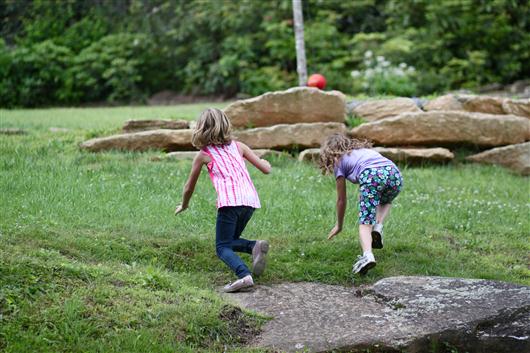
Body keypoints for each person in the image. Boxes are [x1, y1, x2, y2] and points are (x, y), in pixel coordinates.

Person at [175, 108, 271, 292]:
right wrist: (268, 164)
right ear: (226, 125)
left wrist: (184, 205)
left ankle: (244, 275)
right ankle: (255, 246)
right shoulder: (239, 146)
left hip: (230, 203)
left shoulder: (204, 155)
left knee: (222, 247)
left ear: (201, 129)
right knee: (231, 240)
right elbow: (265, 169)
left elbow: (189, 187)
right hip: (250, 201)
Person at [319, 133, 403, 276]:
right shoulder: (364, 151)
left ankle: (367, 256)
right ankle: (379, 226)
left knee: (365, 222)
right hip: (394, 173)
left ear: (330, 152)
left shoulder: (338, 161)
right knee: (386, 200)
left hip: (371, 175)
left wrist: (339, 225)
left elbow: (341, 200)